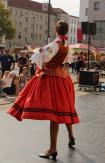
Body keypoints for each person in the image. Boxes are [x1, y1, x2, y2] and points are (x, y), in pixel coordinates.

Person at [7, 20, 79, 160]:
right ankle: (71, 136)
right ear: (66, 31)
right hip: (64, 80)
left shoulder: (53, 45)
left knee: (54, 114)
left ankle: (53, 149)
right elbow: (66, 62)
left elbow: (39, 60)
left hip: (53, 81)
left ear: (56, 30)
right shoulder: (67, 46)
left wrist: (41, 63)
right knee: (66, 109)